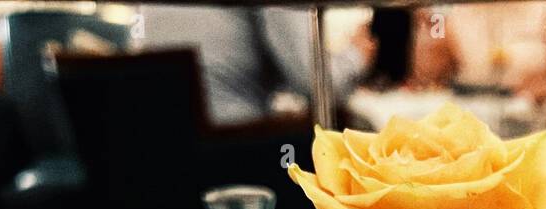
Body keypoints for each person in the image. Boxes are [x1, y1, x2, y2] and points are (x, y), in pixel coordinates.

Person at [138, 5, 376, 125]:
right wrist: (357, 55)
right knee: (363, 128)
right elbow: (320, 86)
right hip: (233, 149)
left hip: (155, 146)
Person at [410, 2, 546, 102]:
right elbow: (431, 77)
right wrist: (429, 39)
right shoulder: (457, 10)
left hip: (536, 128)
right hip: (474, 126)